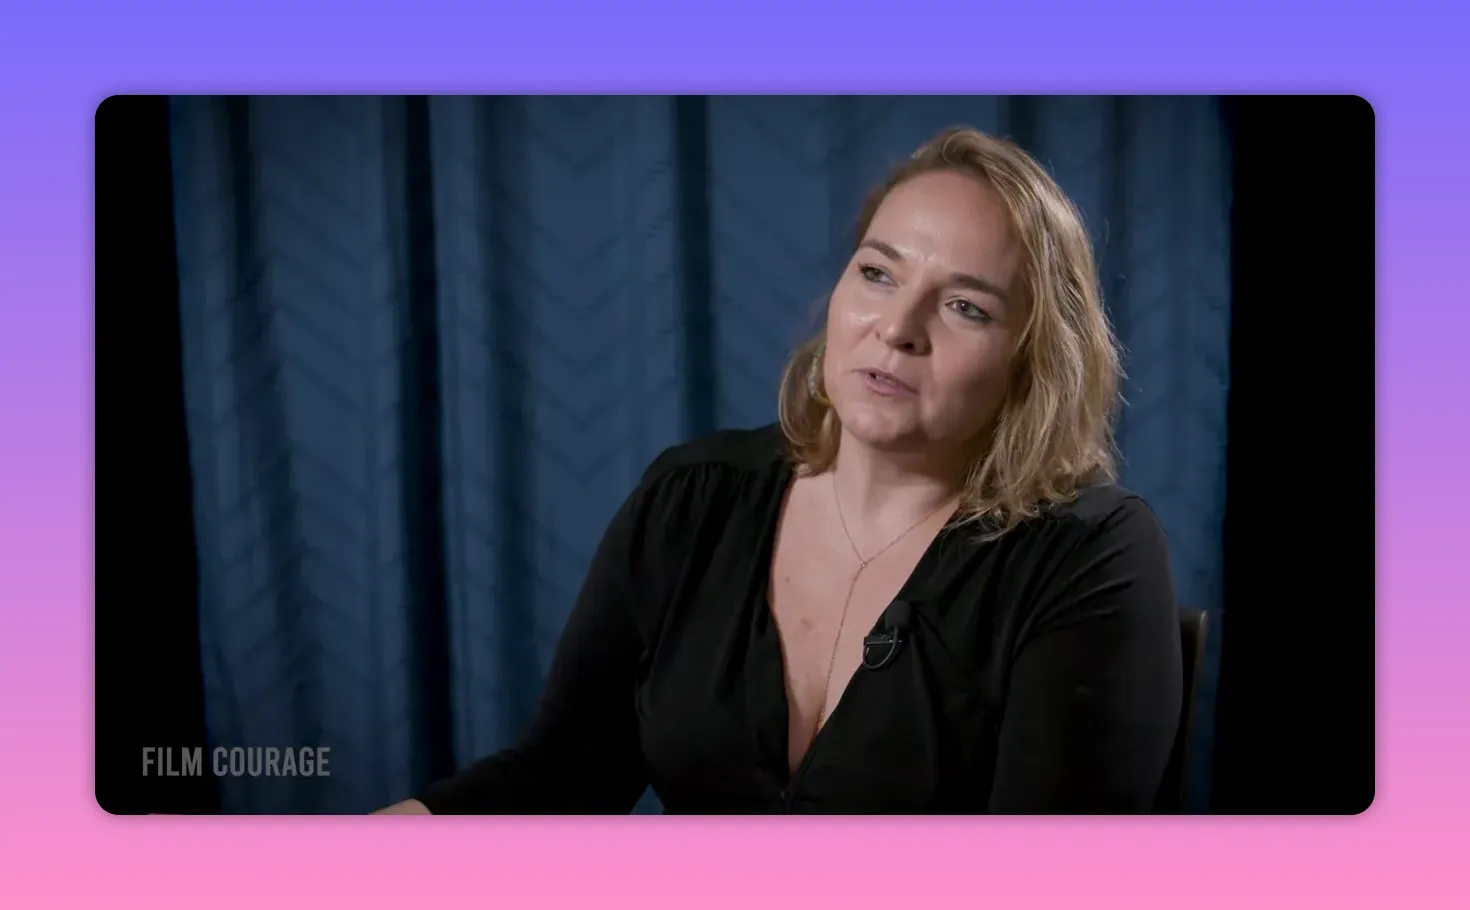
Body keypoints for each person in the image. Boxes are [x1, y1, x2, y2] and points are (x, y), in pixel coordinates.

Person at [375, 126, 1184, 815]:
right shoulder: (693, 500)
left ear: (1031, 363)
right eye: (878, 272)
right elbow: (565, 775)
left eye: (965, 305)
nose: (897, 328)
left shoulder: (1088, 554)